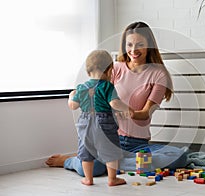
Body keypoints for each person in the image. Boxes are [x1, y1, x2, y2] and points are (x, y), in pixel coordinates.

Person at [45, 21, 187, 177]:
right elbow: (97, 94)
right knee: (95, 169)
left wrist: (128, 112)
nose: (133, 50)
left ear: (150, 45)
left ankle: (114, 163)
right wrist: (77, 95)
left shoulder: (159, 74)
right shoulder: (115, 68)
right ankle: (71, 161)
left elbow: (146, 113)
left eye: (139, 44)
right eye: (129, 45)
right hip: (109, 139)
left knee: (180, 156)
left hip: (137, 144)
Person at [68, 49, 132, 186]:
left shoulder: (81, 88)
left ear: (88, 71)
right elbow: (114, 103)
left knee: (86, 152)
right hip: (104, 122)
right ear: (109, 70)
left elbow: (73, 106)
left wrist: (70, 96)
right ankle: (112, 179)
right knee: (111, 151)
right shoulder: (108, 86)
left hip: (85, 123)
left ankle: (88, 179)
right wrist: (127, 108)